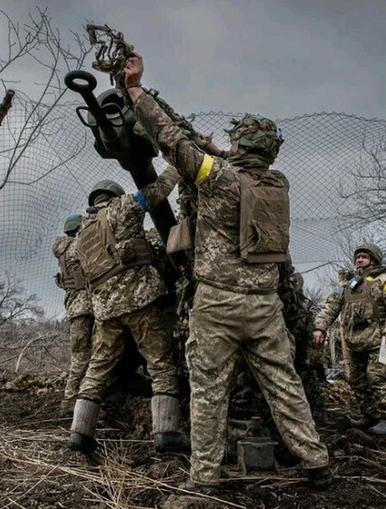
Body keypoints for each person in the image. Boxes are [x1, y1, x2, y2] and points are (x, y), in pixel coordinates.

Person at [122, 54, 331, 491]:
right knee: (283, 384)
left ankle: (204, 479)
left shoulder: (217, 178)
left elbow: (170, 141)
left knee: (209, 391)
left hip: (217, 303)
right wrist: (222, 153)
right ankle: (316, 464)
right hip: (265, 305)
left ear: (240, 148)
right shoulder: (278, 184)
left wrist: (137, 90)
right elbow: (234, 169)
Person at [69, 177, 189, 455]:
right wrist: (177, 163)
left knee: (97, 368)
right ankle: (166, 432)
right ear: (114, 195)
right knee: (160, 364)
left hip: (105, 311)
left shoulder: (81, 234)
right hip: (139, 302)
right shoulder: (123, 207)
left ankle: (79, 432)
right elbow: (156, 191)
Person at [312, 243, 386, 436]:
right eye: (357, 258)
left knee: (377, 378)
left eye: (363, 257)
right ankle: (370, 415)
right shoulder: (347, 284)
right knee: (357, 380)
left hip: (379, 342)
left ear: (374, 259)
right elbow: (331, 306)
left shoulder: (384, 280)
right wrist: (319, 327)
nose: (359, 260)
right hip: (354, 343)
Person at [53, 214, 94, 417]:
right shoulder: (77, 247)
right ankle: (72, 401)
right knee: (83, 356)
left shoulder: (62, 250)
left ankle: (71, 399)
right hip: (86, 307)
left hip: (74, 308)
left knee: (80, 355)